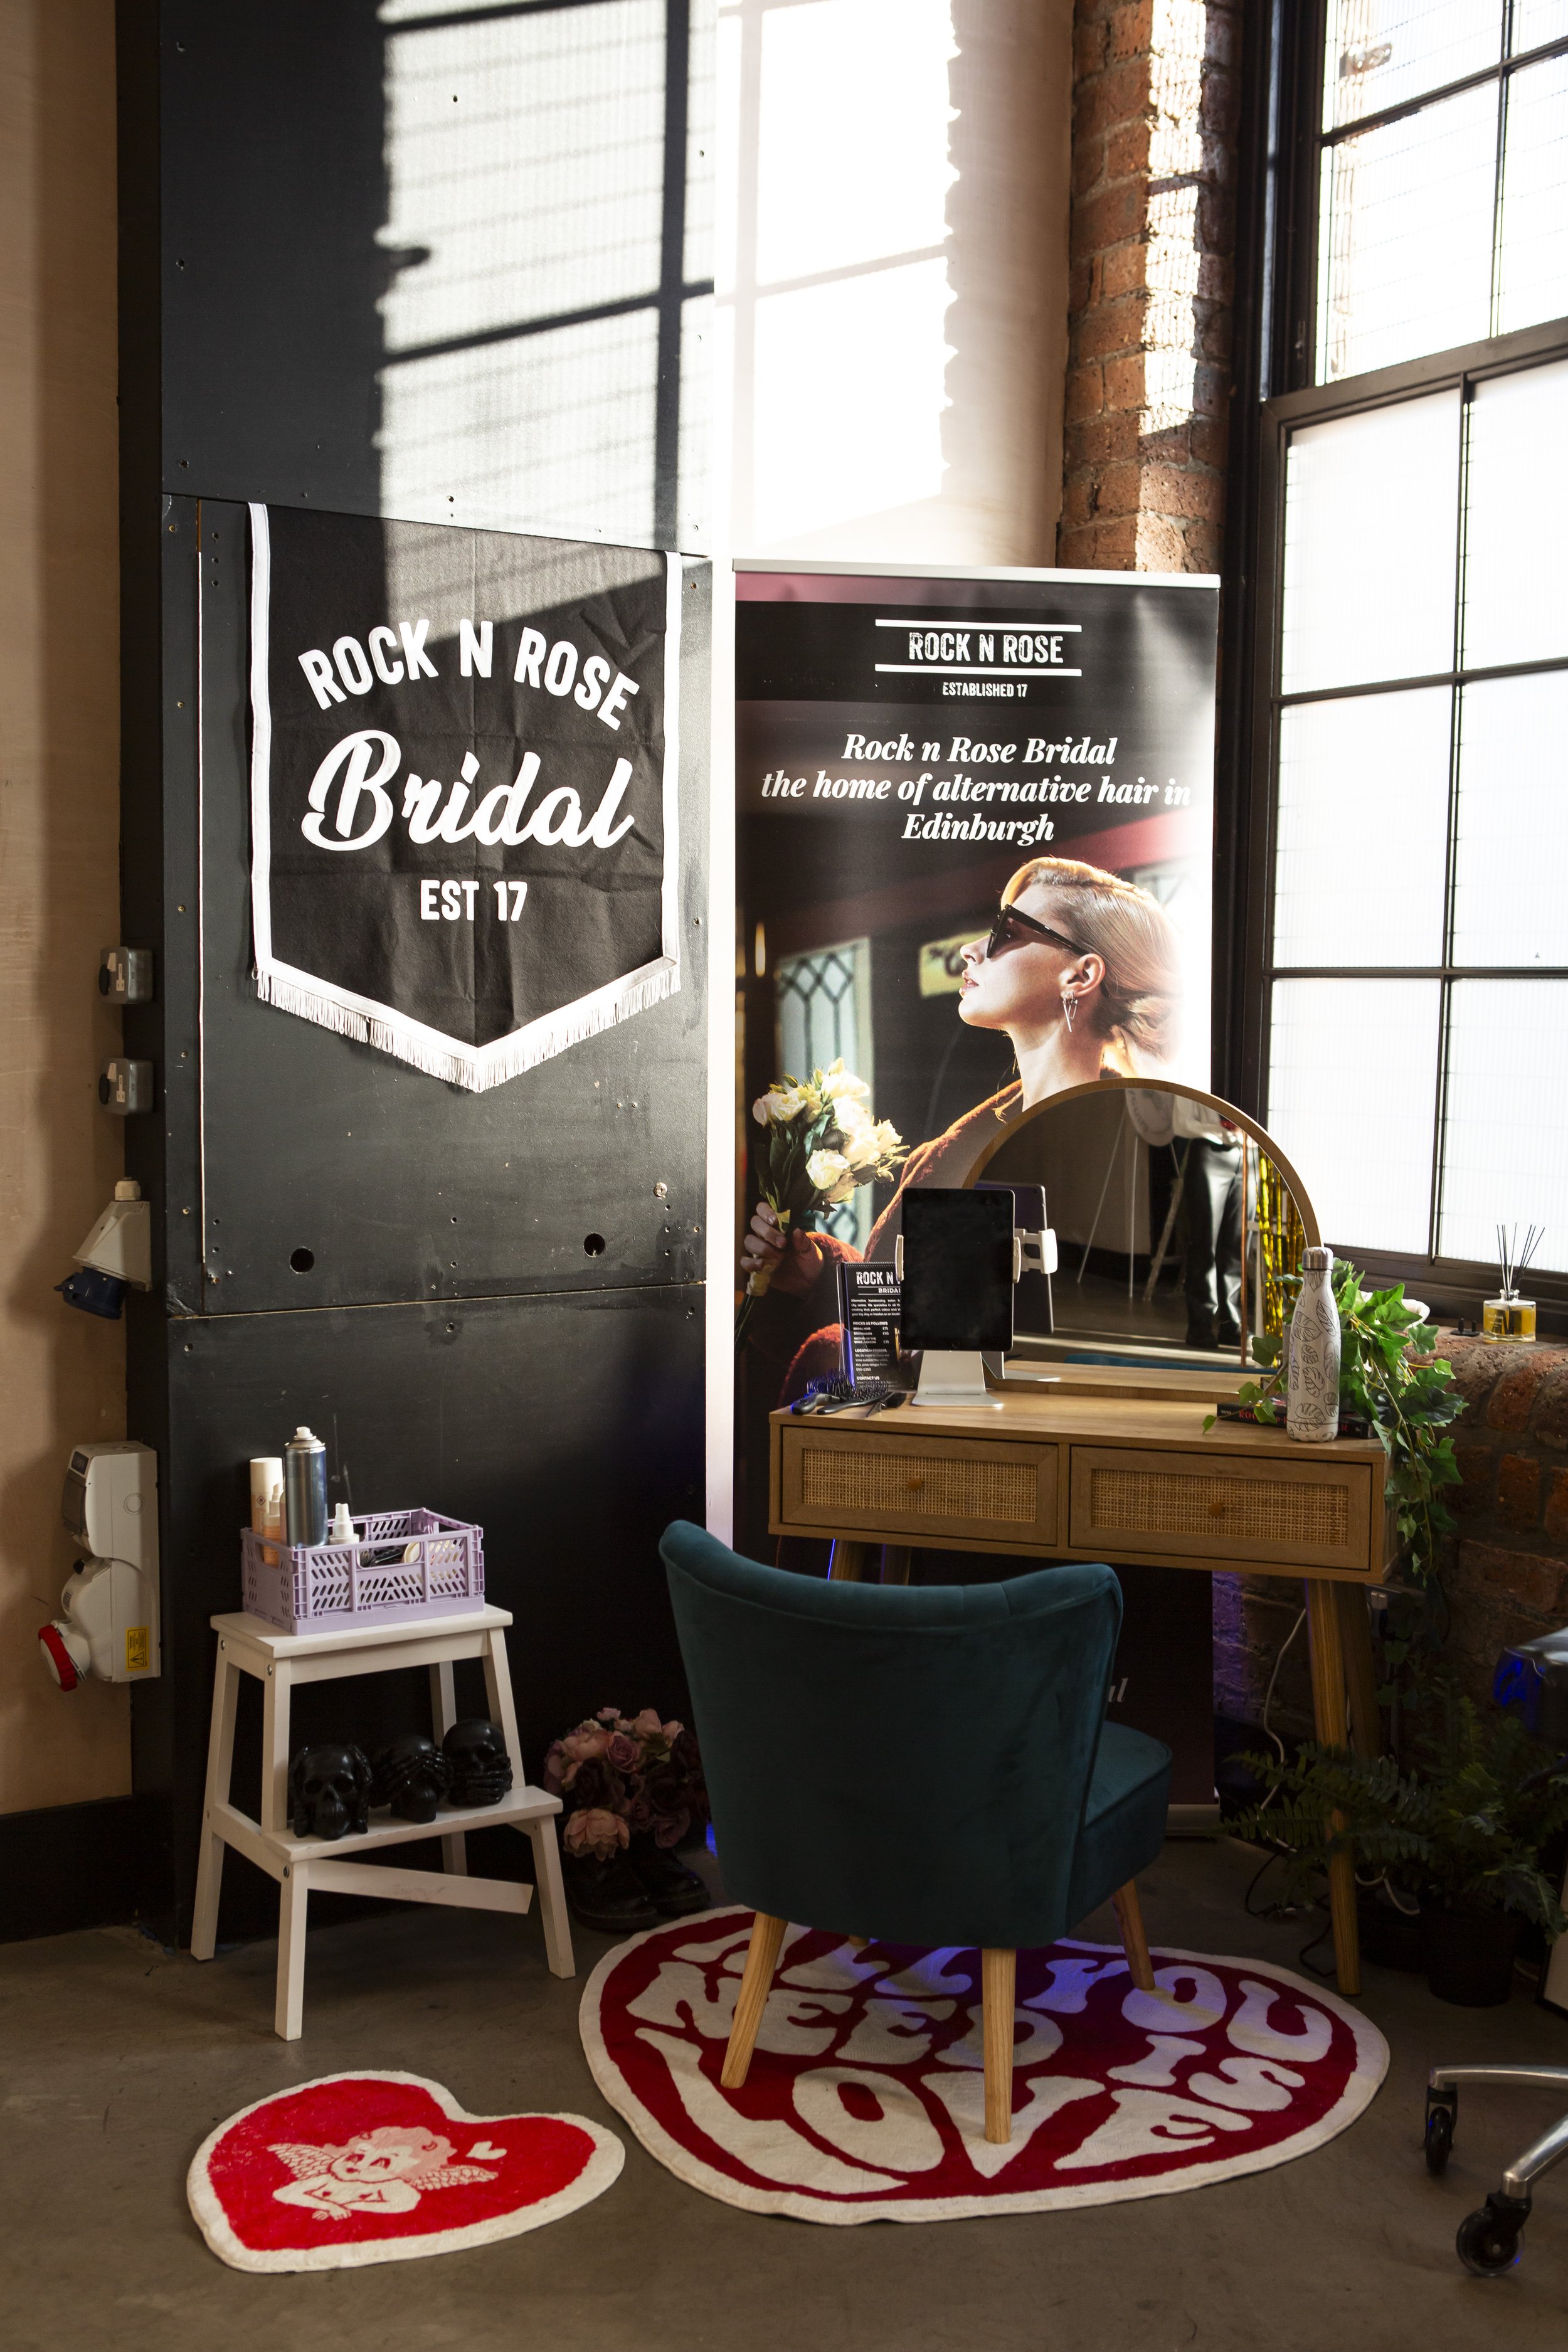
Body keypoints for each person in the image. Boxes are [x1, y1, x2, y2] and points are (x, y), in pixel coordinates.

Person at [738, 857, 1183, 1452]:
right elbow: (912, 1327)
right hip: (939, 1454)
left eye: (1005, 934)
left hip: (1074, 1452)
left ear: (1081, 975)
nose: (973, 951)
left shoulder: (1151, 1153)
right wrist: (820, 1275)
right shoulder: (953, 1152)